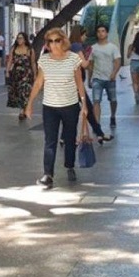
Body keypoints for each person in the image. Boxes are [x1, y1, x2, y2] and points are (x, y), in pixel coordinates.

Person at [25, 28, 87, 189]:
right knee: (50, 141)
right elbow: (39, 82)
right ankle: (48, 175)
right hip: (50, 107)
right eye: (50, 41)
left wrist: (84, 105)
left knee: (70, 138)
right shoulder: (44, 60)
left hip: (70, 106)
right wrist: (29, 104)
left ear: (63, 41)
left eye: (57, 40)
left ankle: (69, 165)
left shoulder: (73, 58)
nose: (54, 44)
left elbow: (79, 83)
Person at [69, 26, 113, 144]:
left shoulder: (69, 46)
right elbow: (83, 64)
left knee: (75, 110)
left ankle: (98, 133)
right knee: (87, 108)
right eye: (84, 35)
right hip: (76, 83)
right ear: (80, 35)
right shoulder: (77, 46)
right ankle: (99, 133)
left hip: (71, 82)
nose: (85, 37)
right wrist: (89, 55)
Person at [88, 24, 121, 128]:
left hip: (110, 78)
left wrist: (114, 73)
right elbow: (90, 64)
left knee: (113, 100)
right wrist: (89, 79)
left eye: (103, 31)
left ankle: (113, 116)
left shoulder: (113, 47)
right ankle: (97, 124)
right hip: (97, 78)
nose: (101, 33)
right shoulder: (93, 48)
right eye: (98, 31)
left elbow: (117, 61)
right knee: (96, 100)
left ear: (106, 33)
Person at [6, 32, 36, 120]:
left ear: (25, 39)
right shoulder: (14, 49)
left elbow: (33, 63)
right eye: (18, 38)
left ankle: (22, 111)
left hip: (26, 73)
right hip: (16, 73)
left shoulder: (30, 49)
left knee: (24, 91)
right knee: (18, 92)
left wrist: (35, 74)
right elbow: (10, 60)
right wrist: (7, 71)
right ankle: (23, 108)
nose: (19, 40)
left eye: (21, 38)